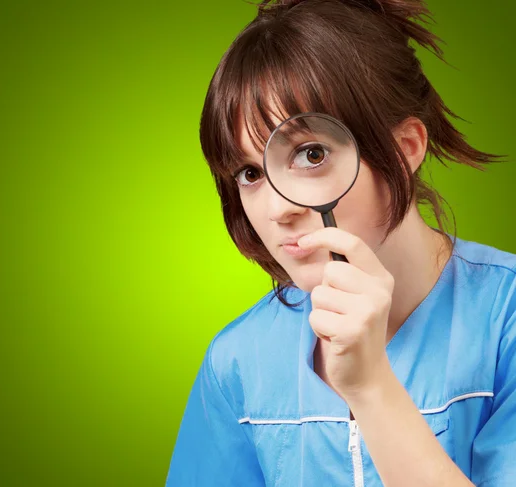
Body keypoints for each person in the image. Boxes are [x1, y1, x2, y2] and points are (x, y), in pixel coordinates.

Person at [166, 0, 516, 485]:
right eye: (249, 172)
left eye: (311, 153)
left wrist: (371, 386)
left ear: (406, 148)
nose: (277, 209)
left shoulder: (506, 319)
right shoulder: (238, 360)